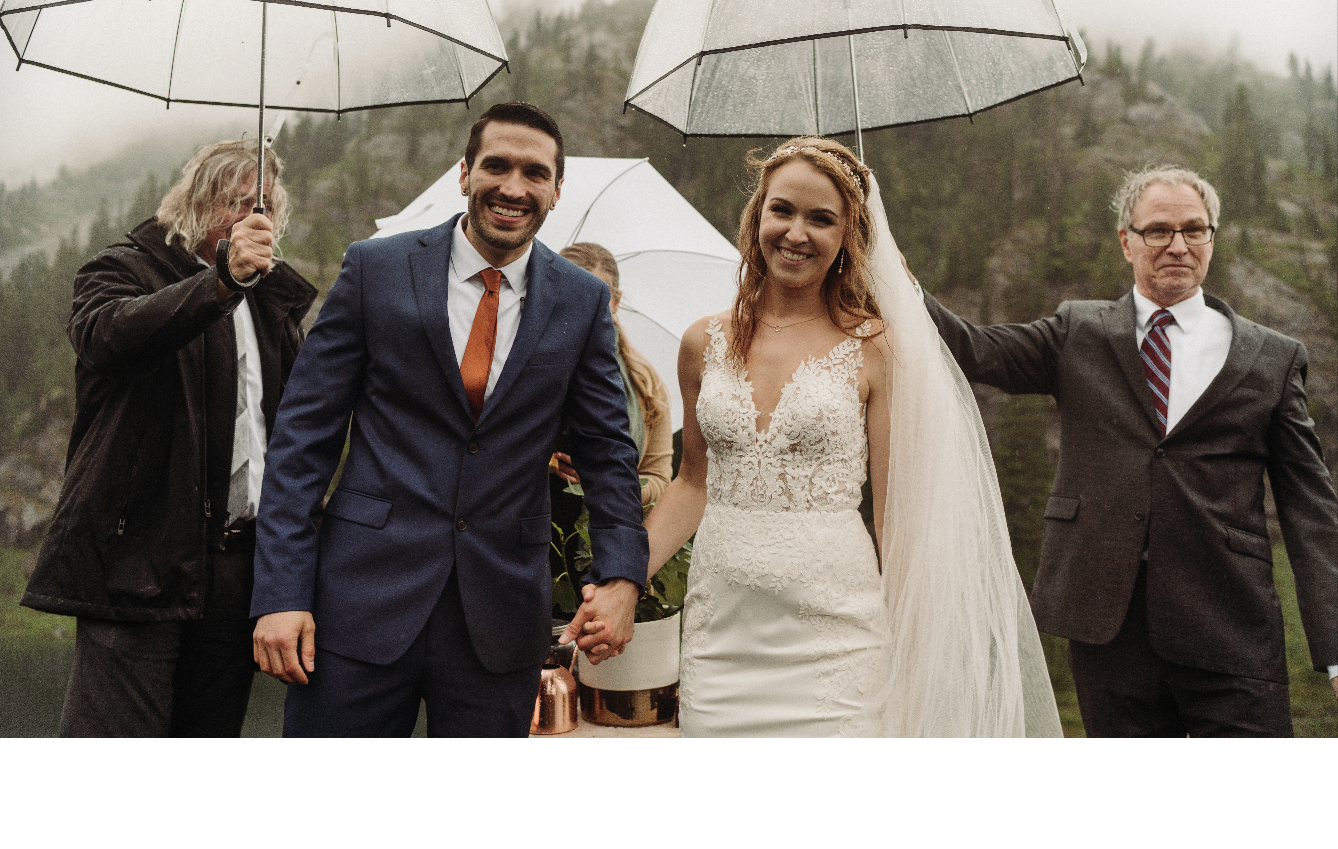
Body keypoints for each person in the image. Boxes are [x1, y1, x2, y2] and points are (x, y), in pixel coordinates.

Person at [560, 137, 1060, 736]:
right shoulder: (701, 344)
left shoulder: (876, 349)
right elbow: (693, 484)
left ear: (849, 236)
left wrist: (914, 655)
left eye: (821, 219)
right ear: (758, 217)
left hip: (836, 645)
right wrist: (622, 582)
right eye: (782, 210)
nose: (796, 233)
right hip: (722, 642)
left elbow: (895, 520)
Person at [250, 102, 649, 737]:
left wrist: (623, 577)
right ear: (465, 174)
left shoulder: (582, 300)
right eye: (496, 166)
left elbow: (608, 454)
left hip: (501, 615)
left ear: (556, 190)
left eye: (535, 173)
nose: (513, 187)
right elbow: (302, 440)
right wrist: (281, 594)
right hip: (357, 604)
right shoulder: (375, 269)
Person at [921, 165, 1338, 737]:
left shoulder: (1273, 357)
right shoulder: (1076, 332)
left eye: (1194, 230)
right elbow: (973, 349)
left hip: (1231, 623)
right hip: (1106, 627)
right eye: (1158, 230)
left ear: (1211, 238)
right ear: (1126, 241)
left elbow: (1311, 508)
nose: (1178, 245)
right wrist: (887, 270)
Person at [22, 138, 315, 736]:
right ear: (196, 201)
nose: (247, 215)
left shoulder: (272, 300)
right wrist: (221, 283)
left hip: (237, 567)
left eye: (260, 204)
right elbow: (107, 336)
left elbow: (291, 435)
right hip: (139, 559)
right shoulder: (123, 268)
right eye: (233, 201)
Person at [550, 241, 673, 513]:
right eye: (571, 297)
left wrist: (610, 482)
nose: (583, 311)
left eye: (595, 299)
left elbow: (658, 478)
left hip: (602, 532)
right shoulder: (520, 363)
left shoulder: (645, 384)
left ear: (616, 302)